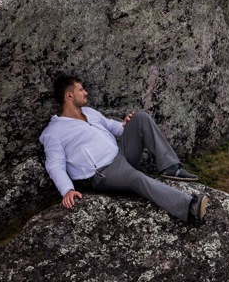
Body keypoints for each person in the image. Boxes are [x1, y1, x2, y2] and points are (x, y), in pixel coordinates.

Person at [40, 74, 208, 224]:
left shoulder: (89, 112)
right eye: (81, 90)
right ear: (69, 95)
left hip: (121, 153)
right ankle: (189, 208)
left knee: (140, 118)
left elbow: (110, 125)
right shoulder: (54, 132)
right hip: (104, 172)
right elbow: (55, 165)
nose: (86, 93)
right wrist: (67, 190)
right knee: (138, 178)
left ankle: (170, 167)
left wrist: (126, 125)